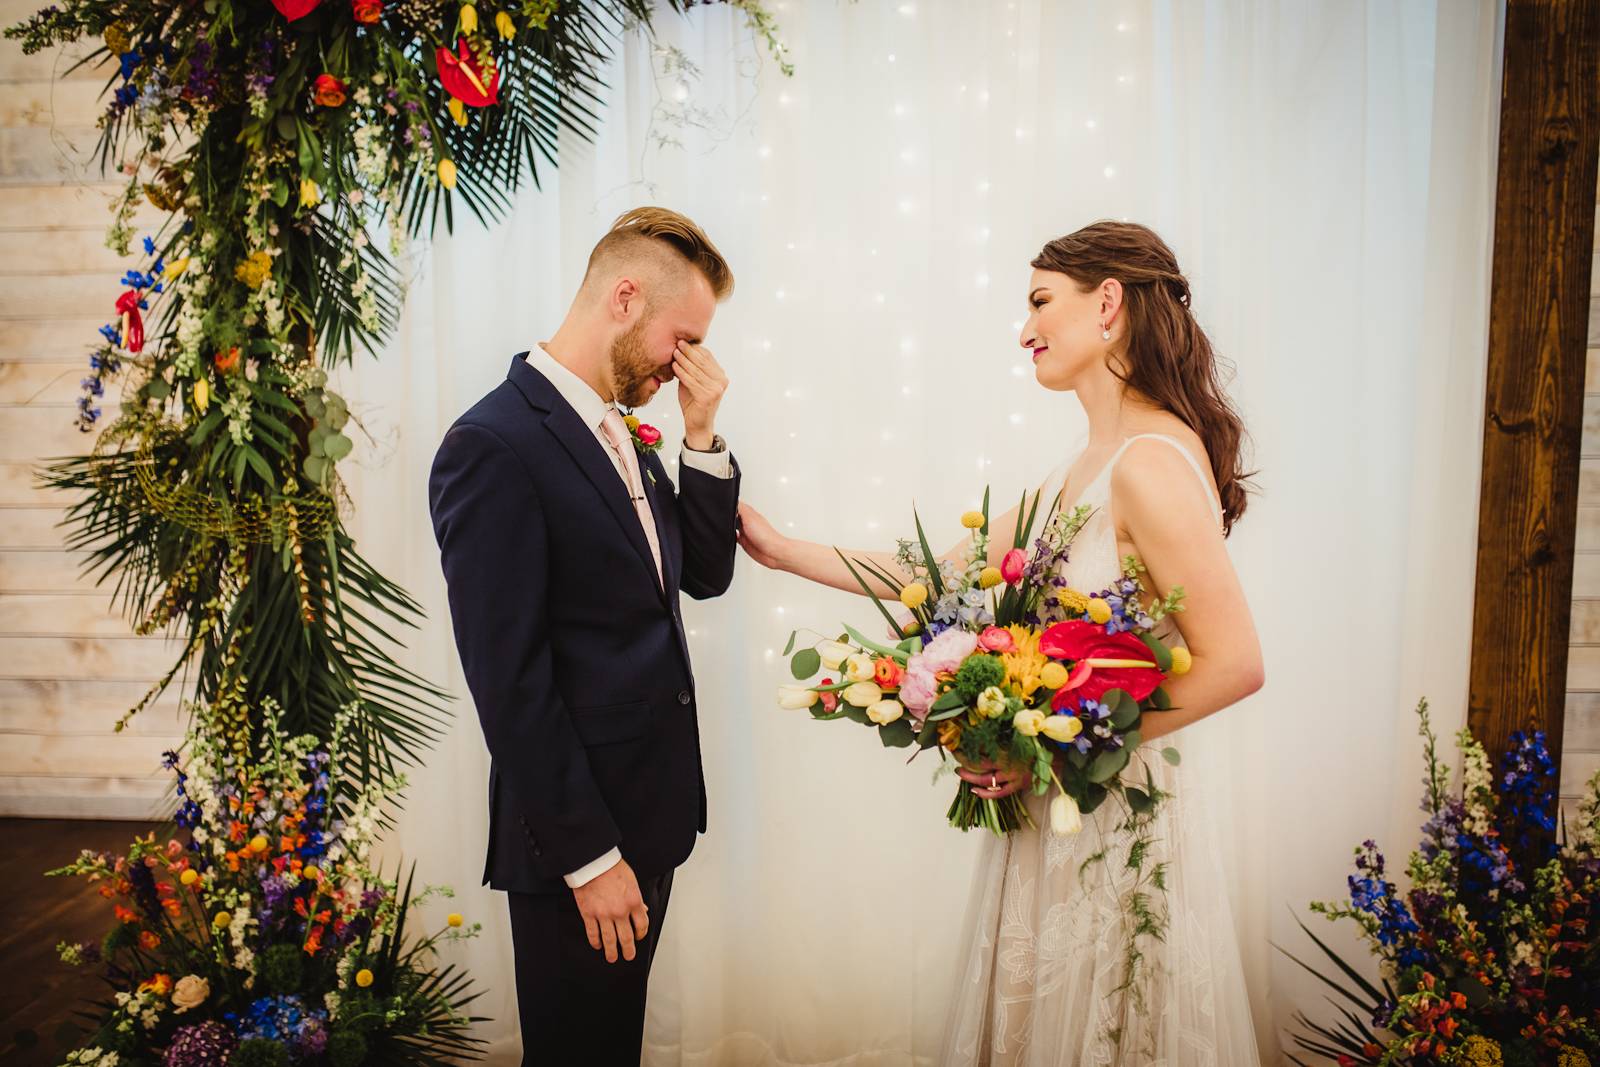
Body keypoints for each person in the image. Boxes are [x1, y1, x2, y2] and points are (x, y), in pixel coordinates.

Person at [736, 220, 1265, 1064]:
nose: (1024, 330)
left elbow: (1236, 663)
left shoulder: (1149, 462)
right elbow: (935, 574)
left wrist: (1062, 750)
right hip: (1058, 808)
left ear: (1109, 305)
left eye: (1038, 302)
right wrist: (780, 549)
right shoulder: (1085, 463)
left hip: (1108, 819)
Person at [428, 207, 741, 1064]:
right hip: (579, 838)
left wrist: (702, 436)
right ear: (625, 297)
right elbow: (510, 681)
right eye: (683, 338)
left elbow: (702, 575)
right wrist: (591, 857)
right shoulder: (492, 444)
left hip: (648, 814)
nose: (687, 364)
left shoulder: (619, 430)